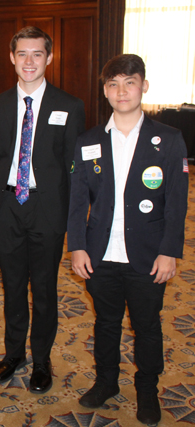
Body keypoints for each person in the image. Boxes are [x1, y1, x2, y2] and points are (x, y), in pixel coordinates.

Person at [67, 54, 188, 425]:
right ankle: (107, 382)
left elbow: (178, 203)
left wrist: (169, 251)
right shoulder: (89, 141)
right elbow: (76, 200)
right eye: (114, 84)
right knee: (105, 321)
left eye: (130, 82)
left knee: (147, 325)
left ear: (144, 86)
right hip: (100, 254)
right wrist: (77, 245)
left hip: (148, 255)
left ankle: (147, 389)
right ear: (105, 91)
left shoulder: (168, 140)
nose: (122, 91)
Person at [0, 26, 85, 391]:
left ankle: (42, 361)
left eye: (37, 54)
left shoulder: (70, 106)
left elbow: (73, 170)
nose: (29, 61)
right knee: (12, 287)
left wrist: (75, 225)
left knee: (43, 289)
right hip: (8, 207)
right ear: (12, 58)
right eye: (22, 54)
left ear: (49, 58)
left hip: (48, 210)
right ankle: (14, 354)